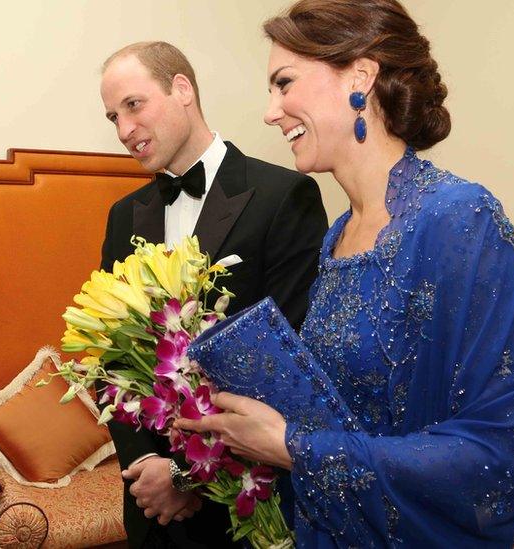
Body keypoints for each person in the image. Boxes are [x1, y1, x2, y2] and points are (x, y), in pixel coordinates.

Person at [176, 0, 514, 546]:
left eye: (284, 83)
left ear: (360, 75)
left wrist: (293, 448)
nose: (270, 112)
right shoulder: (337, 237)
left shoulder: (459, 219)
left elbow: (499, 451)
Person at [99, 41, 328, 547]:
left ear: (182, 88)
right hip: (151, 508)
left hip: (245, 502)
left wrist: (185, 473)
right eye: (113, 116)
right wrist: (144, 462)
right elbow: (112, 358)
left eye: (133, 106)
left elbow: (289, 360)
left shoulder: (283, 196)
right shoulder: (123, 216)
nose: (123, 130)